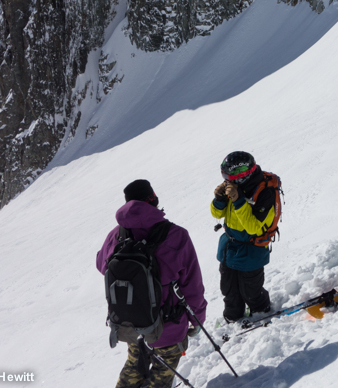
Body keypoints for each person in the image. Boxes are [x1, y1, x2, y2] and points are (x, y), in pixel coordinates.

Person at [97, 179, 207, 388]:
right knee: (163, 371)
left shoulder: (117, 234)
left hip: (131, 322)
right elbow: (192, 286)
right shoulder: (176, 235)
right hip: (168, 327)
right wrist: (197, 320)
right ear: (152, 199)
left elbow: (101, 265)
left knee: (134, 363)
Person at [211, 151, 278, 322]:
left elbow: (253, 227)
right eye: (225, 176)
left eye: (229, 176)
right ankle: (232, 318)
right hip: (229, 247)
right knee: (229, 291)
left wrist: (239, 200)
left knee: (251, 293)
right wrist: (219, 199)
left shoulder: (265, 192)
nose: (227, 180)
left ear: (242, 175)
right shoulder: (235, 186)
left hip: (251, 250)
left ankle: (262, 315)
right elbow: (217, 214)